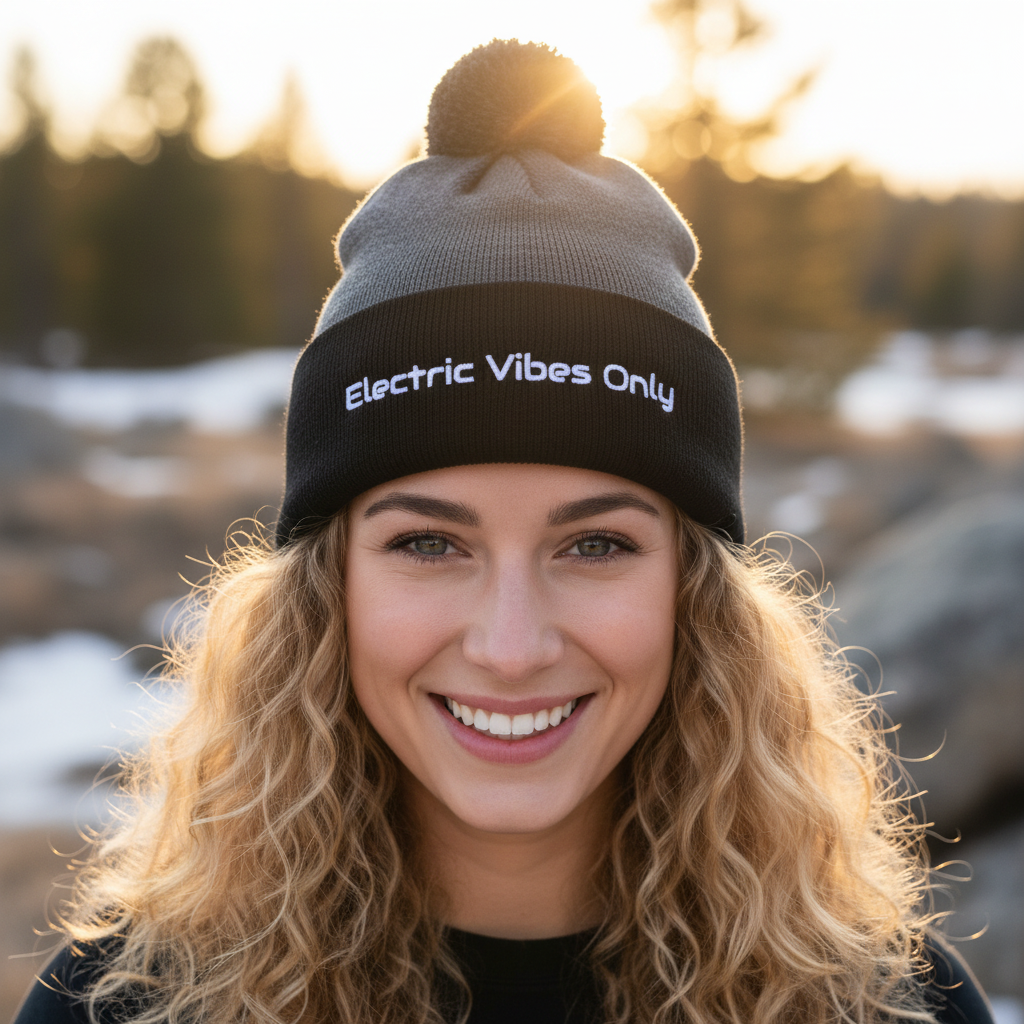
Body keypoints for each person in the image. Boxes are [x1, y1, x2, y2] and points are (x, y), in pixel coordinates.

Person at [14, 39, 994, 1024]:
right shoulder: (125, 1008)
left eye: (596, 544)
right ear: (327, 589)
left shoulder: (883, 1005)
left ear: (694, 592)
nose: (511, 646)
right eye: (429, 544)